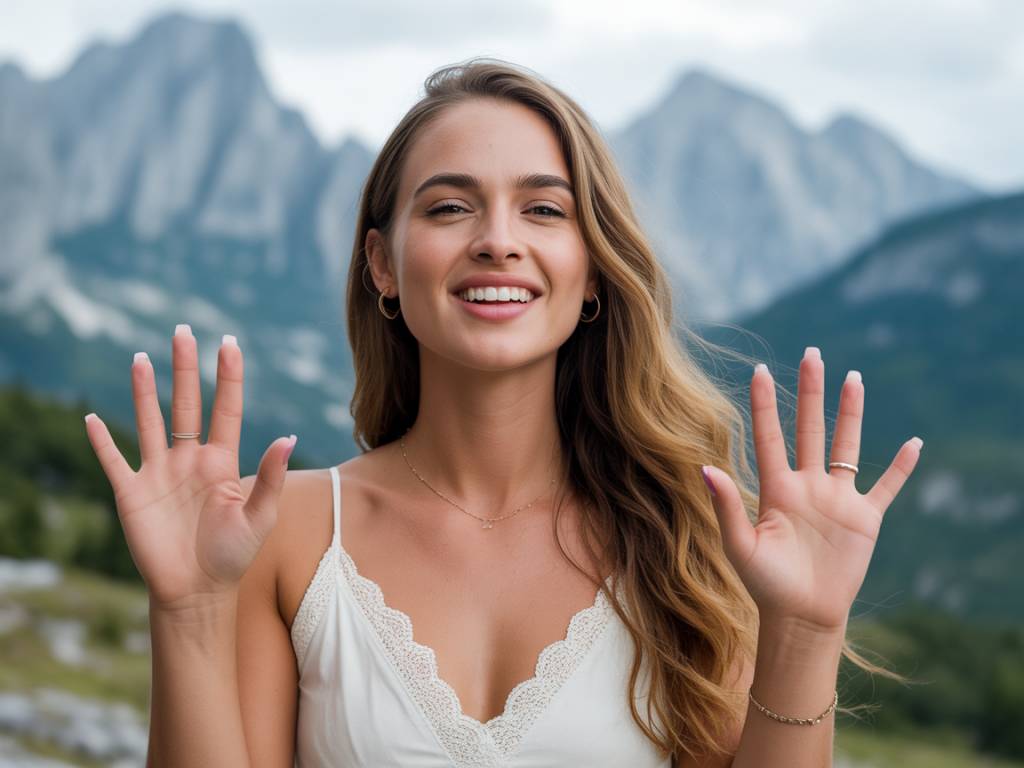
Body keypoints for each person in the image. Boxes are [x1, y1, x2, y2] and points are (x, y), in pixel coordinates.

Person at [84, 57, 923, 767]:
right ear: (381, 262)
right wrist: (188, 608)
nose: (497, 239)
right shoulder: (288, 533)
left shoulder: (688, 541)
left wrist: (806, 631)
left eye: (544, 209)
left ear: (592, 269)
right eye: (449, 207)